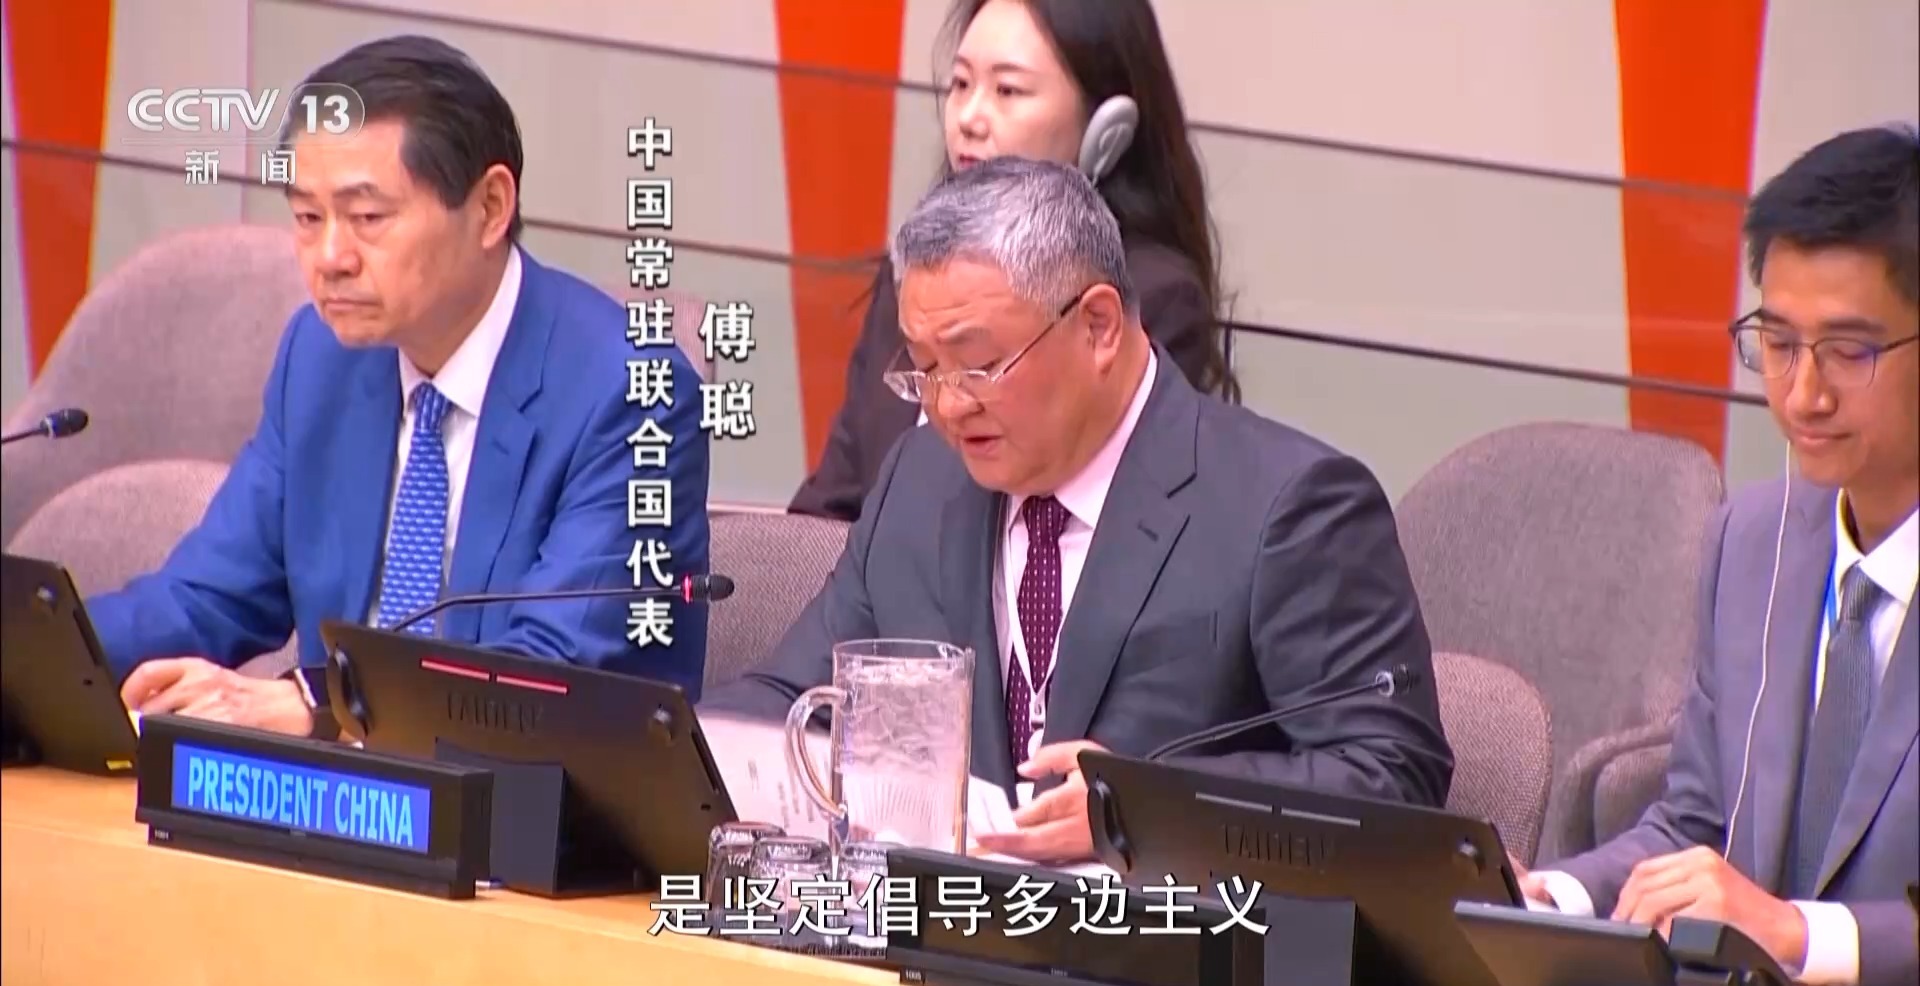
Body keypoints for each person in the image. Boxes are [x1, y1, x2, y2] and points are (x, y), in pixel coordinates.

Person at [704, 157, 1450, 863]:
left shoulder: (1288, 507)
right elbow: (785, 700)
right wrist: (690, 755)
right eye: (925, 369)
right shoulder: (921, 479)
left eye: (979, 365)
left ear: (1097, 326)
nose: (949, 406)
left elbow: (1392, 776)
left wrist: (1146, 809)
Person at [91, 36, 711, 738]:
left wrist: (322, 704)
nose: (330, 258)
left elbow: (550, 676)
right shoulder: (320, 358)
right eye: (307, 218)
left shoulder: (631, 393)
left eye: (367, 218)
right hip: (335, 793)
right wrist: (41, 651)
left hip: (532, 797)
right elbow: (204, 600)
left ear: (490, 207)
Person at [1516, 124, 1918, 986]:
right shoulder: (1753, 540)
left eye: (1849, 351)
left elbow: (1772, 921)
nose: (1803, 394)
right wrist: (1554, 898)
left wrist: (1799, 935)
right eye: (1778, 344)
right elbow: (1697, 823)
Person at [788, 0, 1237, 523]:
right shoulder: (918, 277)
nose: (969, 118)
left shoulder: (1148, 297)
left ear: (1106, 126)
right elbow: (829, 507)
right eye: (960, 84)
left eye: (1007, 90)